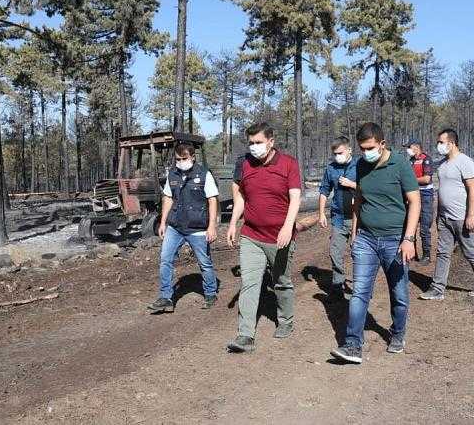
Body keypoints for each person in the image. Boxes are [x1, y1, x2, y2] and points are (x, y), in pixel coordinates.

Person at [330, 122, 421, 364]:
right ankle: (352, 345)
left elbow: (415, 201)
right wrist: (356, 231)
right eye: (362, 148)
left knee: (399, 292)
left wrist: (409, 239)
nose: (365, 152)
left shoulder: (399, 164)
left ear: (382, 144)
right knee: (359, 292)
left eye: (370, 147)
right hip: (366, 240)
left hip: (396, 240)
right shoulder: (361, 165)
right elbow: (358, 198)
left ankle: (398, 333)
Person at [226, 122, 302, 353]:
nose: (254, 147)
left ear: (271, 141)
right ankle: (245, 335)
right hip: (251, 235)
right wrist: (232, 223)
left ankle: (286, 321)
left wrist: (288, 227)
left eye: (258, 142)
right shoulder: (245, 164)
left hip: (279, 237)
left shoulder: (288, 164)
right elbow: (241, 198)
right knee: (249, 284)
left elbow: (296, 197)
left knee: (281, 282)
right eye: (251, 143)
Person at [419, 128, 474, 301]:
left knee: (469, 252)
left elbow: (473, 188)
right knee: (443, 252)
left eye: (441, 142)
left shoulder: (465, 161)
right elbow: (443, 191)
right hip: (445, 218)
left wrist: (470, 215)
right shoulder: (443, 164)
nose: (438, 145)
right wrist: (439, 214)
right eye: (438, 142)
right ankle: (437, 289)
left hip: (462, 217)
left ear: (451, 143)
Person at [147, 142, 220, 313]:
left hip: (198, 227)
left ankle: (210, 293)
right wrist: (163, 222)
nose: (181, 162)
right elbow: (167, 198)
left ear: (193, 157)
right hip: (175, 226)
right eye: (178, 159)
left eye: (184, 158)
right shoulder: (173, 174)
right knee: (165, 259)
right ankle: (166, 297)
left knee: (204, 262)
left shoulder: (204, 174)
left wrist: (212, 226)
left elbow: (212, 200)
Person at [318, 136, 358, 302]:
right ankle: (337, 284)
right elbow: (324, 190)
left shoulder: (361, 165)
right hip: (338, 218)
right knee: (335, 253)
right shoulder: (331, 169)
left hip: (359, 218)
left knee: (359, 254)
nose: (337, 156)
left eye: (340, 153)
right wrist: (321, 213)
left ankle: (361, 288)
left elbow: (371, 188)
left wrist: (352, 184)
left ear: (349, 150)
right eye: (335, 154)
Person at [404, 139, 435, 261]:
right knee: (411, 225)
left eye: (409, 147)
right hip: (412, 194)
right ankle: (413, 254)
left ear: (416, 147)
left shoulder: (426, 159)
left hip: (425, 195)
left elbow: (427, 179)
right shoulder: (411, 161)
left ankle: (426, 255)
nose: (408, 150)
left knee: (424, 227)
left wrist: (410, 180)